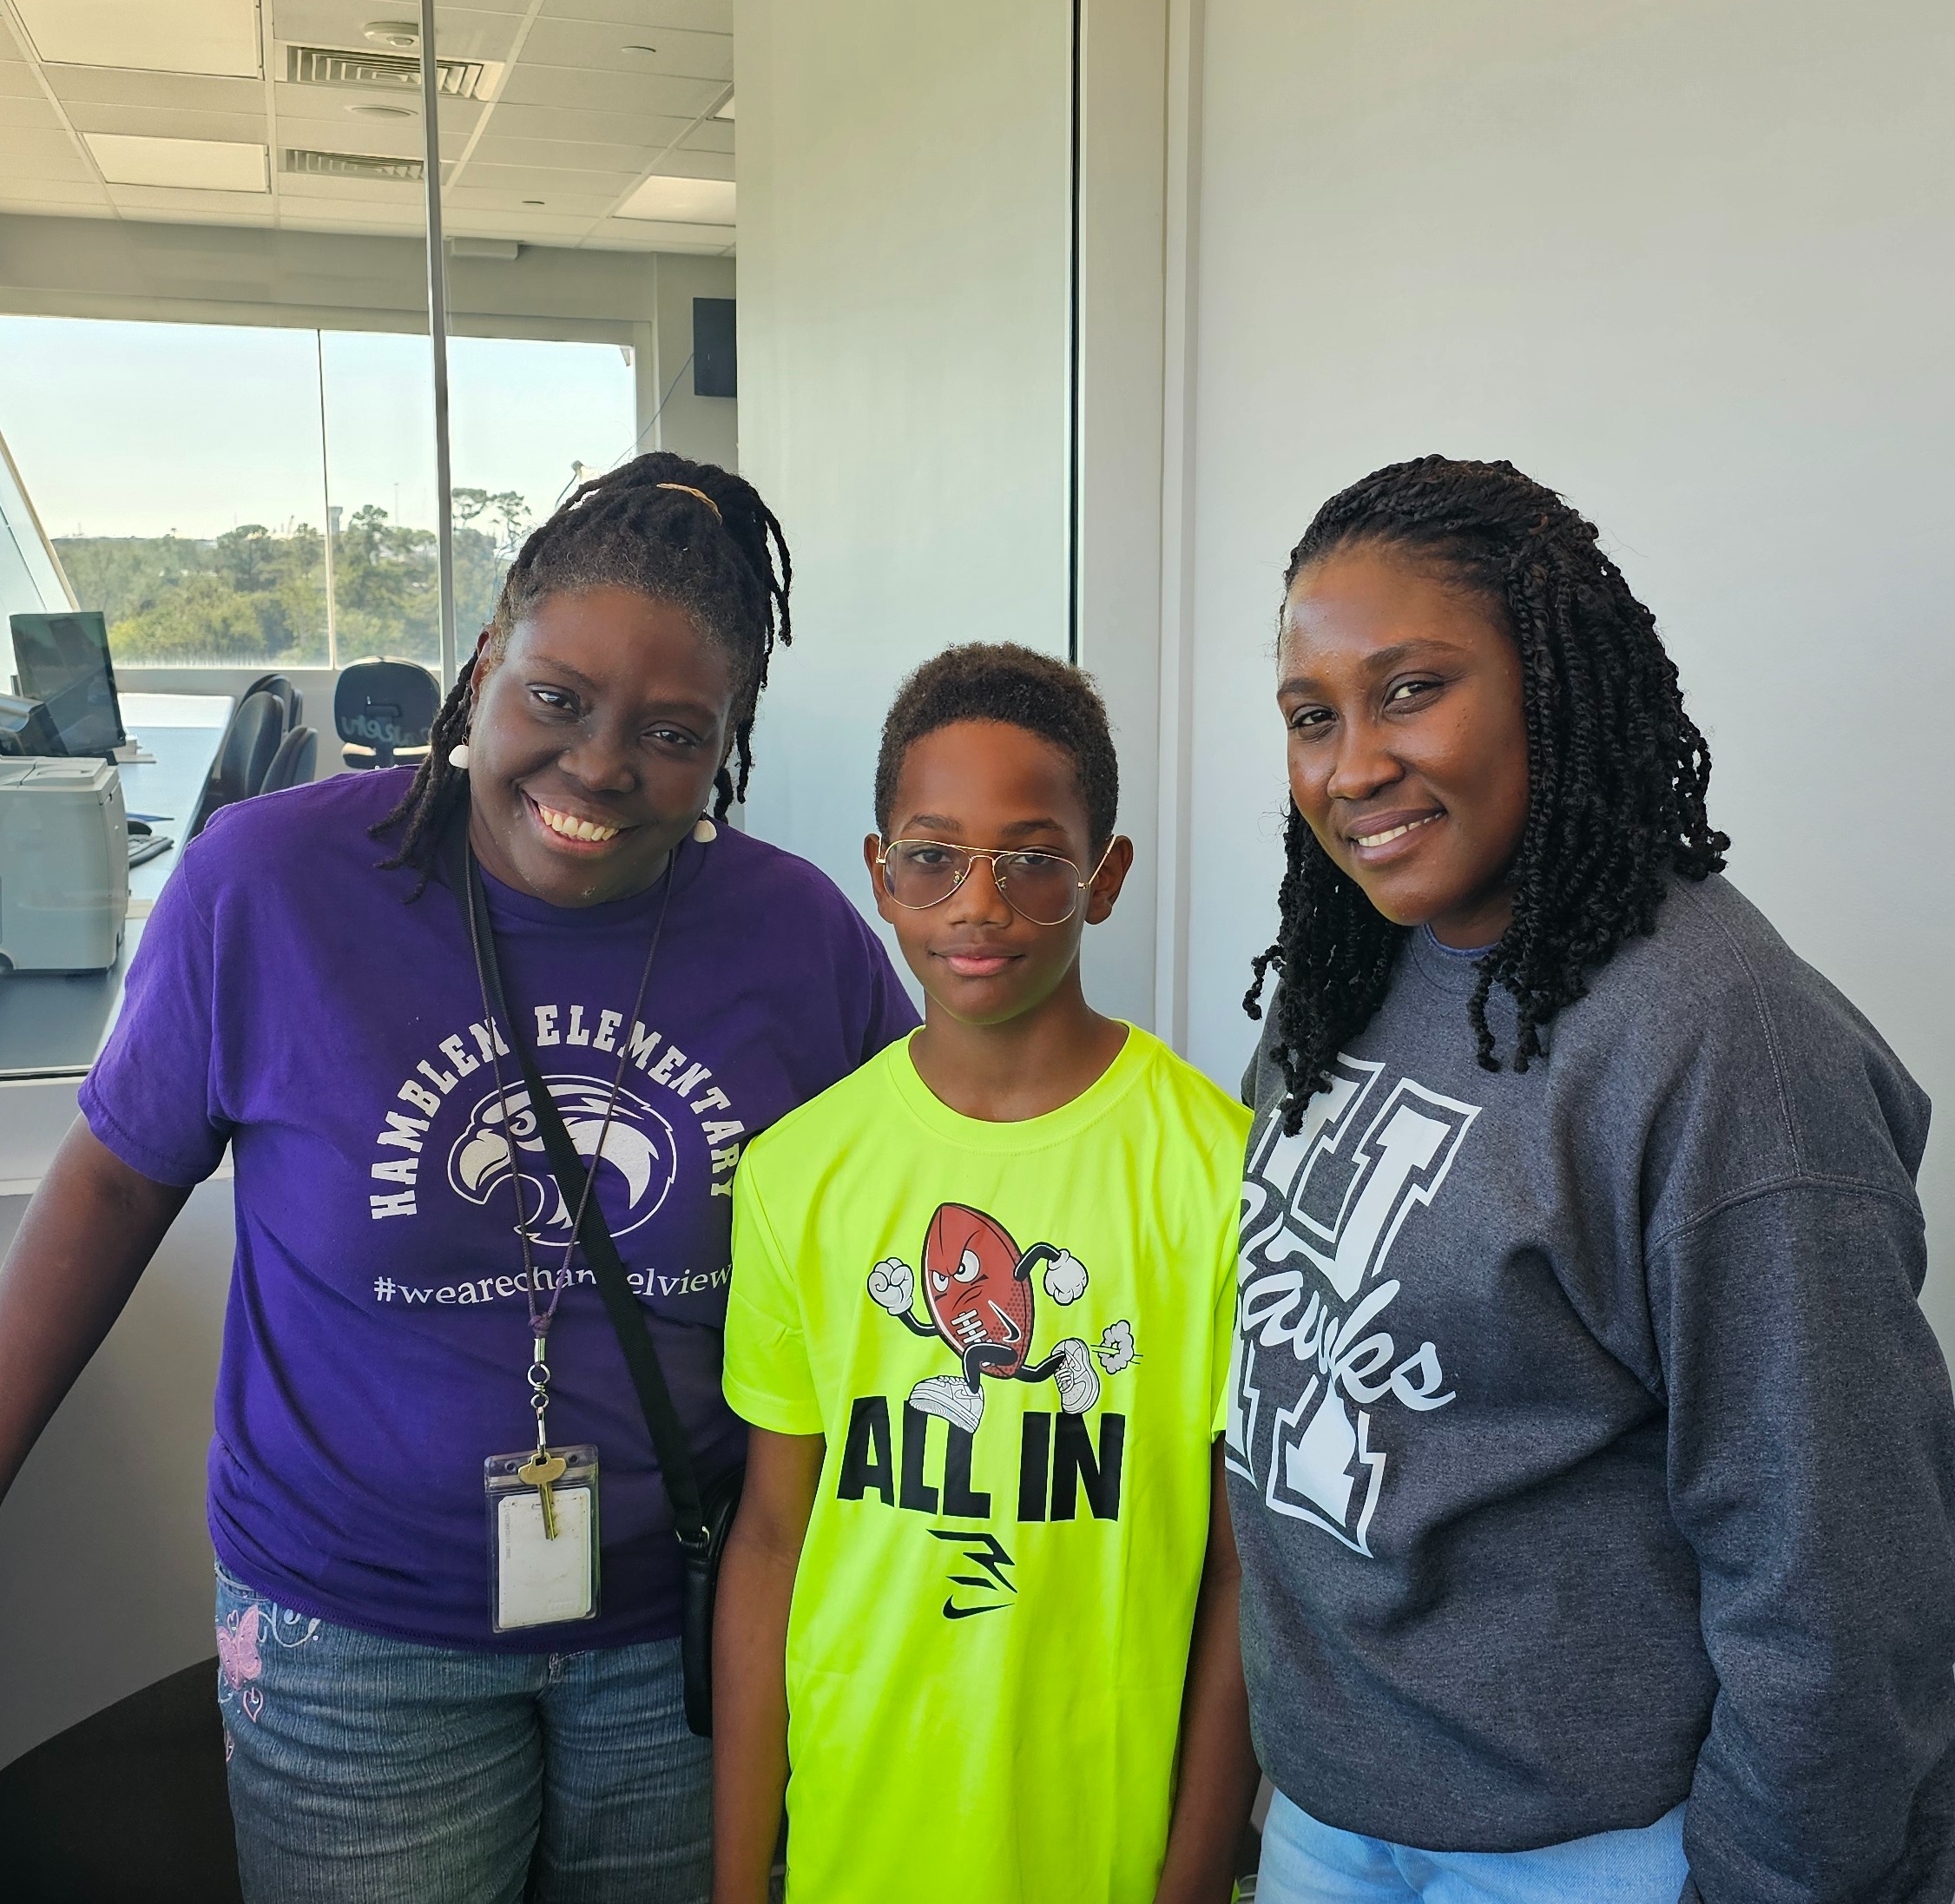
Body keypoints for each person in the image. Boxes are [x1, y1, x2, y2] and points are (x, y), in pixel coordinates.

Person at [0, 453, 918, 1904]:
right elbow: (114, 1187)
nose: (604, 765)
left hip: (680, 1620)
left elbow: (914, 1228)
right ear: (488, 659)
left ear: (728, 741)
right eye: (556, 699)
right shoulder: (270, 887)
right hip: (356, 1632)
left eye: (673, 733)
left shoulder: (795, 938)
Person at [1228, 454, 1955, 1902]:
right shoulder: (1356, 961)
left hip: (1592, 1854)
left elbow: (1837, 1573)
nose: (1352, 763)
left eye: (1414, 689)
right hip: (1333, 1811)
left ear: (1553, 687)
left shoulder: (1721, 1043)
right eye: (1314, 716)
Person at [713, 643, 1261, 1903]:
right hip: (861, 1836)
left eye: (1033, 861)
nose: (979, 903)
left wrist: (1190, 1878)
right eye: (934, 857)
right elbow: (772, 1539)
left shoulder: (1221, 1175)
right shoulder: (802, 1172)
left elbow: (1241, 1575)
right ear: (881, 878)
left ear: (1103, 879)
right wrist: (739, 1880)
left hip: (1108, 1845)